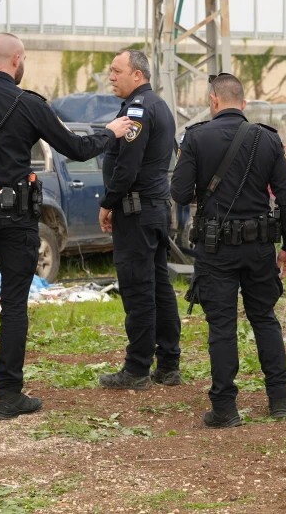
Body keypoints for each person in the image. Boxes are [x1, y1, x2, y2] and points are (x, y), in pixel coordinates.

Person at [0, 33, 132, 419]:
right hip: (16, 216)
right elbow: (76, 148)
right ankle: (8, 396)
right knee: (14, 303)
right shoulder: (30, 103)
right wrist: (110, 132)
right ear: (16, 59)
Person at [171, 72, 286, 428]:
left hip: (216, 249)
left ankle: (225, 408)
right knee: (264, 318)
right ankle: (279, 400)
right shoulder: (267, 138)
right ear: (243, 103)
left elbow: (179, 193)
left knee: (222, 327)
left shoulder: (196, 137)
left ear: (213, 101)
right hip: (259, 247)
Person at [98, 48, 181, 391]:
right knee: (160, 286)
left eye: (116, 70)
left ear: (137, 74)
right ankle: (169, 364)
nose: (111, 77)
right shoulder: (158, 105)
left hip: (136, 211)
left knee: (138, 289)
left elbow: (128, 165)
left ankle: (136, 369)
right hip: (154, 209)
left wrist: (108, 202)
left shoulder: (137, 109)